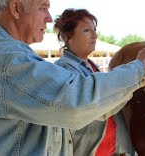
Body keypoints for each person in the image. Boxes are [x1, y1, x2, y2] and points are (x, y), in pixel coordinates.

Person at [0, 0, 145, 155]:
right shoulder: (5, 60)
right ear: (16, 9)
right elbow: (75, 104)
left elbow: (94, 108)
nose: (49, 18)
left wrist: (137, 80)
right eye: (43, 8)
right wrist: (139, 67)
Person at [53, 8, 135, 156]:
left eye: (94, 30)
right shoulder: (63, 69)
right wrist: (134, 82)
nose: (95, 35)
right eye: (86, 30)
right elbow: (96, 107)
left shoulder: (90, 66)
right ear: (67, 36)